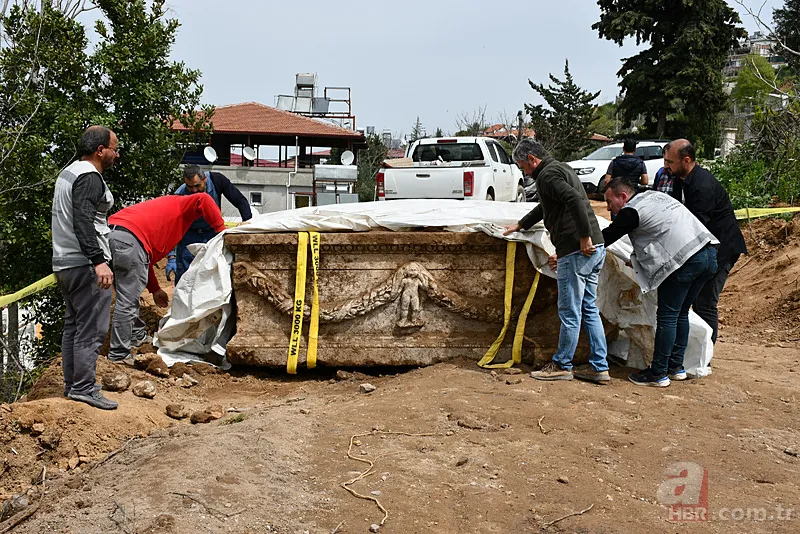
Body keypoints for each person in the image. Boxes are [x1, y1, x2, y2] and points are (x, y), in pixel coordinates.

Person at [503, 138, 610, 384]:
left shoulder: (547, 176)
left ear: (532, 159)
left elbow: (574, 201)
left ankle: (562, 364)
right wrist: (521, 225)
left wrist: (582, 238)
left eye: (522, 167)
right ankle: (599, 367)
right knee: (589, 309)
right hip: (596, 247)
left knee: (570, 311)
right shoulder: (562, 168)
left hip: (578, 250)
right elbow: (547, 207)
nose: (524, 172)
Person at [602, 178, 719, 386]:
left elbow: (606, 237)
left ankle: (658, 373)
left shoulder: (631, 211)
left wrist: (576, 246)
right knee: (681, 312)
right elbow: (659, 231)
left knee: (667, 316)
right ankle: (676, 367)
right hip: (708, 254)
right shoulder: (656, 196)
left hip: (684, 261)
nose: (609, 208)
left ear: (623, 196)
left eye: (610, 202)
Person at [107, 194, 226, 364]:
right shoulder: (181, 204)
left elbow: (144, 259)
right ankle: (119, 354)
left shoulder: (162, 212)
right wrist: (222, 231)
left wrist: (155, 289)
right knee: (127, 301)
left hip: (111, 234)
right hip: (130, 241)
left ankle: (135, 336)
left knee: (126, 295)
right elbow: (203, 198)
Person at [51, 126, 119, 410]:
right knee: (91, 329)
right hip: (85, 265)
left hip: (64, 263)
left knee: (74, 326)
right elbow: (83, 222)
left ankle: (74, 384)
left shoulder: (68, 173)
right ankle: (83, 387)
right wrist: (99, 261)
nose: (117, 153)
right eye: (114, 148)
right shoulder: (90, 178)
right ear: (100, 150)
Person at [663, 139, 747, 344]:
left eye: (670, 162)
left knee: (705, 302)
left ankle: (704, 355)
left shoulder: (702, 185)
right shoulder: (680, 181)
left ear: (686, 160)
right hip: (709, 246)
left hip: (723, 248)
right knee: (695, 300)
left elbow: (697, 226)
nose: (666, 167)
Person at [168, 165, 252, 283]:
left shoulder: (217, 181)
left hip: (213, 234)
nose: (194, 190)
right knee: (186, 278)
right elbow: (171, 227)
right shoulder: (180, 195)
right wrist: (172, 256)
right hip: (189, 236)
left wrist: (247, 222)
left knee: (214, 275)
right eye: (190, 187)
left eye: (197, 186)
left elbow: (239, 200)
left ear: (204, 179)